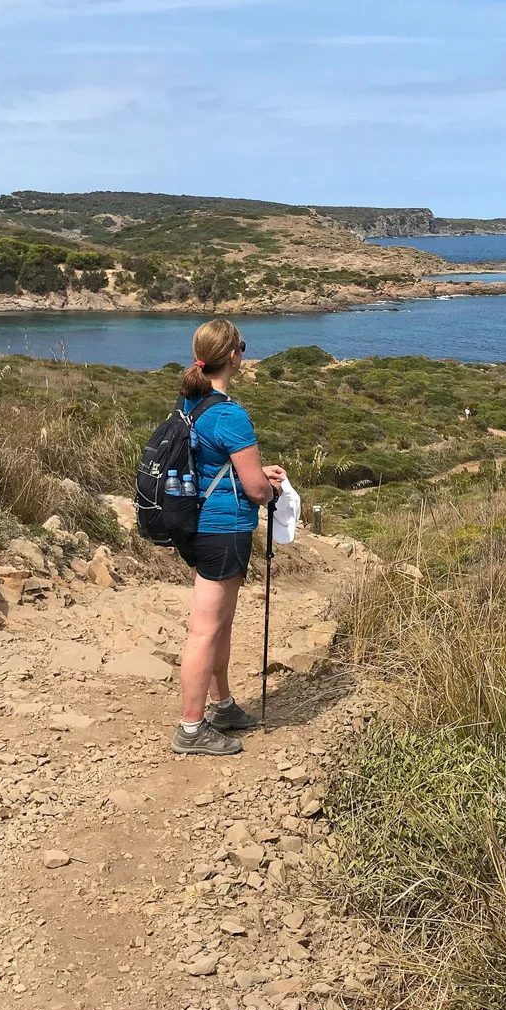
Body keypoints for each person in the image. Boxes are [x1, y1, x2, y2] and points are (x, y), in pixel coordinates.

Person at [171, 319, 285, 756]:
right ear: (234, 356)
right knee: (204, 630)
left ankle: (221, 706)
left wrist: (257, 474)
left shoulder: (191, 403)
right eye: (243, 345)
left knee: (219, 625)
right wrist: (270, 487)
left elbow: (212, 467)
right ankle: (190, 728)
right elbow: (256, 490)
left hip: (199, 523)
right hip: (225, 529)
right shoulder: (230, 414)